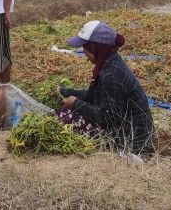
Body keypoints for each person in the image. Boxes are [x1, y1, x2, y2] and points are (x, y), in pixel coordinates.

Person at [59, 20, 155, 155]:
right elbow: (92, 96)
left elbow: (108, 118)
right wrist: (63, 91)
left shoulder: (112, 76)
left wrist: (76, 104)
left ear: (97, 47)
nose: (84, 52)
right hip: (125, 126)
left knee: (67, 119)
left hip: (133, 139)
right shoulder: (109, 64)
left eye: (86, 48)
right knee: (65, 111)